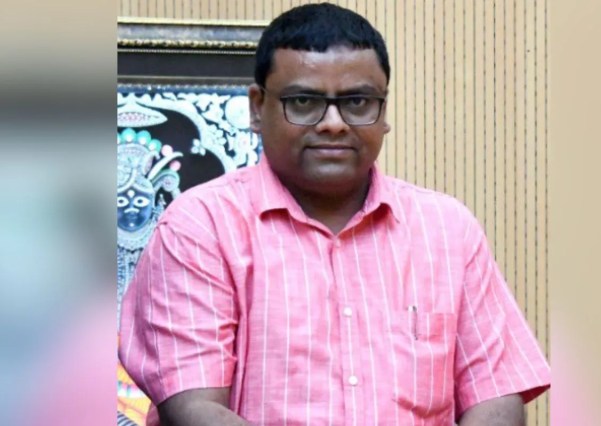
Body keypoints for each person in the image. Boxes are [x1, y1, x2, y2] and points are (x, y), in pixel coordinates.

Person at [118, 3, 551, 425]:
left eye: (358, 102)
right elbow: (194, 409)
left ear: (383, 111)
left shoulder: (447, 229)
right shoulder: (200, 227)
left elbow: (497, 395)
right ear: (256, 108)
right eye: (304, 101)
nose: (333, 123)